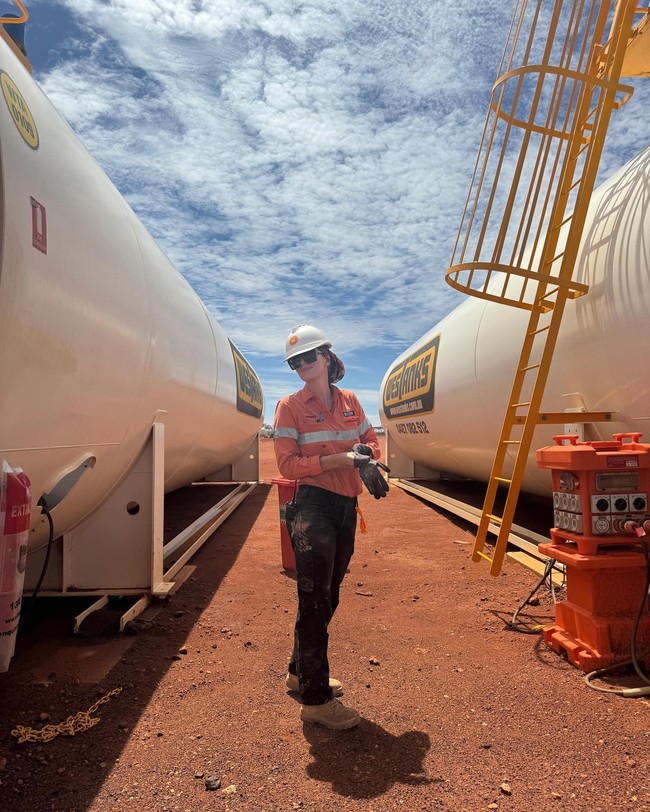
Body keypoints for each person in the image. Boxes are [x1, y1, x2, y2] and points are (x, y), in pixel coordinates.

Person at [273, 324, 389, 730]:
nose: (302, 365)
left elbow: (371, 440)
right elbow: (287, 466)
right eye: (295, 361)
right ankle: (316, 700)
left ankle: (298, 671)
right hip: (312, 508)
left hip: (344, 506)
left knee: (330, 594)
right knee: (315, 600)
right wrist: (340, 460)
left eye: (308, 356)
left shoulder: (351, 401)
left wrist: (367, 457)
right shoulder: (289, 406)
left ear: (326, 356)